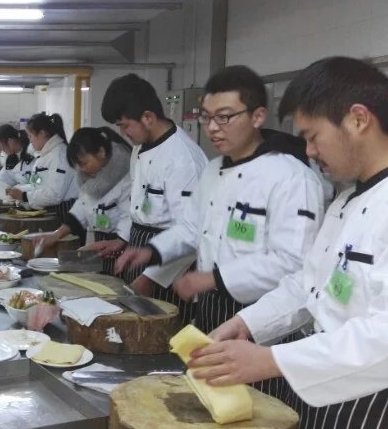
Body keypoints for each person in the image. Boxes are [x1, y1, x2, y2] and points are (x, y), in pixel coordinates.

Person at [189, 57, 388, 429]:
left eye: (313, 136)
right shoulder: (348, 199)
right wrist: (248, 323)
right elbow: (309, 283)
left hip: (378, 412)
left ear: (358, 119)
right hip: (326, 395)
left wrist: (273, 360)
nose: (310, 151)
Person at [115, 66, 324, 333]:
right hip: (211, 307)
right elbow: (191, 227)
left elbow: (292, 263)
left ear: (258, 116)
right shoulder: (213, 170)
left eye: (224, 117)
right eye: (206, 117)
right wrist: (153, 250)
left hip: (265, 318)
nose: (212, 128)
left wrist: (214, 278)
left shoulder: (291, 177)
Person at [94, 74, 207, 312]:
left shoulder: (183, 159)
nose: (123, 133)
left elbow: (190, 231)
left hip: (172, 269)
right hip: (140, 249)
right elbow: (138, 203)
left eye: (125, 125)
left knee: (163, 328)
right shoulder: (140, 149)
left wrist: (151, 278)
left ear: (147, 117)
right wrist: (123, 239)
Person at [34, 127, 132, 274]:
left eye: (84, 163)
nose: (82, 169)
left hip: (122, 251)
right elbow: (81, 207)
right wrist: (56, 235)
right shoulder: (90, 178)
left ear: (101, 152)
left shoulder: (125, 177)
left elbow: (128, 218)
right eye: (78, 165)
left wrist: (119, 241)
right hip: (100, 248)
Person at [5, 112, 78, 219]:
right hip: (49, 211)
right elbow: (36, 185)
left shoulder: (59, 155)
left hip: (63, 215)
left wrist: (23, 196)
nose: (30, 141)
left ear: (42, 134)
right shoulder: (44, 156)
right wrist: (17, 189)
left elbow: (55, 195)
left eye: (31, 136)